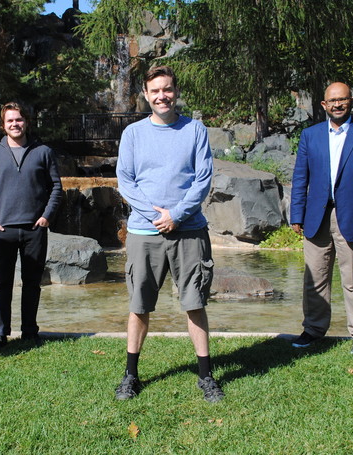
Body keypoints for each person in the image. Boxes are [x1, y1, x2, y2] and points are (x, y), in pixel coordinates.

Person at [114, 66, 223, 402]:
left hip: (189, 230)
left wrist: (176, 214)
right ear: (146, 95)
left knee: (195, 303)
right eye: (155, 91)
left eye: (168, 89)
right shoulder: (132, 133)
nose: (162, 96)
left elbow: (203, 178)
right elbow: (126, 181)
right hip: (144, 234)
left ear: (176, 92)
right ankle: (131, 375)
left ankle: (205, 376)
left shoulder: (195, 130)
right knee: (139, 305)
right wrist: (156, 217)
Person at [290, 82, 353, 355]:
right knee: (314, 279)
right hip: (315, 217)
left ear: (352, 101)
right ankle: (313, 330)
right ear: (324, 105)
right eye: (332, 101)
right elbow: (301, 179)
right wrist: (296, 215)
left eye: (343, 100)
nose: (337, 105)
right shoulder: (310, 136)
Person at [0, 102, 62, 349]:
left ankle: (30, 331)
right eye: (10, 121)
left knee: (32, 283)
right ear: (3, 125)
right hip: (2, 230)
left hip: (34, 228)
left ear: (27, 122)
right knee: (1, 284)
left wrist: (46, 216)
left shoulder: (43, 151)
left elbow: (56, 187)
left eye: (19, 120)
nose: (15, 124)